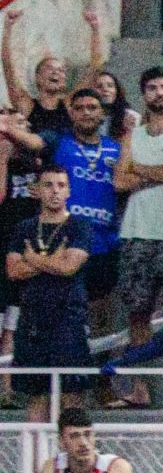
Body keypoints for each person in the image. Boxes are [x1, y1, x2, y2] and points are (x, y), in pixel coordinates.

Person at [6, 164, 94, 417]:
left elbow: (69, 267)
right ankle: (35, 458)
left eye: (61, 185)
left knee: (72, 400)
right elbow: (13, 271)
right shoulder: (24, 227)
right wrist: (52, 261)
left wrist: (33, 259)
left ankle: (69, 456)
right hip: (32, 321)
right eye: (48, 185)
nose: (55, 191)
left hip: (68, 320)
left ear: (68, 191)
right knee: (36, 397)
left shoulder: (79, 225)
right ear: (37, 190)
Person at [36, 406, 132, 473]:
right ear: (61, 441)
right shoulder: (52, 468)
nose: (83, 443)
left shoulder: (116, 468)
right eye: (74, 436)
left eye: (87, 434)